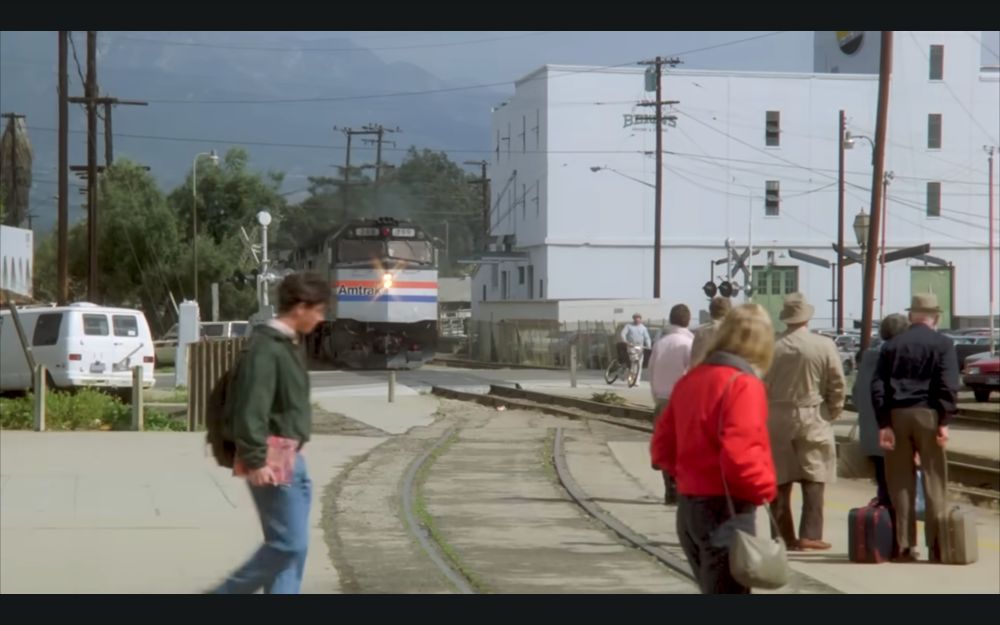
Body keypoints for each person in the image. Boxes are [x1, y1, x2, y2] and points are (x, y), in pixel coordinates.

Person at [211, 272, 331, 594]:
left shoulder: (287, 344)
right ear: (301, 307)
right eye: (319, 311)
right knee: (287, 545)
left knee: (294, 549)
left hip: (290, 455)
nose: (321, 319)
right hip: (270, 454)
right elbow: (251, 407)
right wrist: (255, 458)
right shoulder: (267, 348)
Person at [651, 304, 778, 594]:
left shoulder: (690, 380)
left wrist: (690, 475)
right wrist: (765, 489)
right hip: (727, 510)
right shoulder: (744, 385)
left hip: (689, 510)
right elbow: (739, 454)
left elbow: (661, 449)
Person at [871, 293, 960, 563]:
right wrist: (944, 421)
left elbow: (878, 387)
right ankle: (937, 545)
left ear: (912, 316)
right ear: (935, 317)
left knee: (900, 481)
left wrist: (884, 423)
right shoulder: (943, 344)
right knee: (934, 480)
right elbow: (948, 385)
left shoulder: (890, 346)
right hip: (929, 416)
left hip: (897, 416)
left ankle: (904, 546)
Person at [764, 293, 846, 552]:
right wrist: (832, 411)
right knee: (815, 475)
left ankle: (781, 534)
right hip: (812, 413)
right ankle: (810, 533)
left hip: (776, 416)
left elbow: (759, 384)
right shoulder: (823, 345)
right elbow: (837, 383)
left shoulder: (771, 346)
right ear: (807, 317)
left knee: (779, 478)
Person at [648, 304, 694, 504]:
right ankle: (681, 486)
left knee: (666, 445)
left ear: (671, 319)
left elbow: (650, 371)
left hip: (662, 399)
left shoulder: (660, 343)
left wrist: (656, 396)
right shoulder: (690, 343)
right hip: (683, 401)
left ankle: (669, 488)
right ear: (688, 320)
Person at [690, 297, 732, 367]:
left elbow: (694, 361)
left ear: (710, 312)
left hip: (704, 374)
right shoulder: (733, 332)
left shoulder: (701, 333)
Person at [619, 313, 652, 381]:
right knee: (634, 362)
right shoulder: (628, 326)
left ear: (640, 319)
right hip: (631, 346)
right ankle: (629, 377)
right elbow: (623, 333)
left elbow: (647, 338)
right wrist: (625, 341)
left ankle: (636, 380)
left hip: (639, 347)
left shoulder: (643, 328)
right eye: (635, 318)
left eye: (638, 318)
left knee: (639, 363)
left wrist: (649, 345)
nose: (637, 320)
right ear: (633, 319)